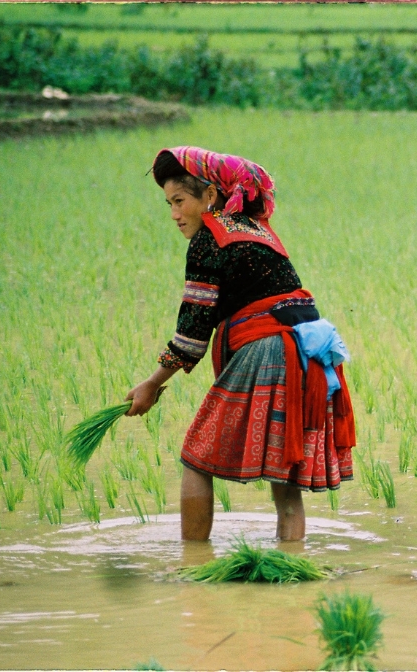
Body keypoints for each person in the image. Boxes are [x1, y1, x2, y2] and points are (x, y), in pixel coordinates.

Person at [126, 146, 356, 542]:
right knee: (286, 478)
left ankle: (192, 564)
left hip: (269, 349)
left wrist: (151, 383)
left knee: (197, 457)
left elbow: (192, 333)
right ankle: (292, 569)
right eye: (168, 204)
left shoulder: (209, 238)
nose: (174, 214)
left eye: (179, 201)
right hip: (308, 354)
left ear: (210, 197)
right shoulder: (259, 229)